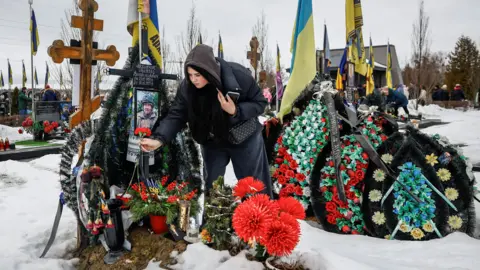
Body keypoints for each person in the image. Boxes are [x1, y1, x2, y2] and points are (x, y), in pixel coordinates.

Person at [140, 44, 272, 196]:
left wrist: (236, 110)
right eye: (190, 75)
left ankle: (260, 217)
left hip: (244, 137)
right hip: (212, 140)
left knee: (254, 187)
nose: (193, 80)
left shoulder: (238, 76)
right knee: (213, 187)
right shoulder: (187, 88)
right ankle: (212, 218)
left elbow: (260, 103)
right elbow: (176, 115)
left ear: (209, 72)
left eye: (197, 75)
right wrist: (159, 139)